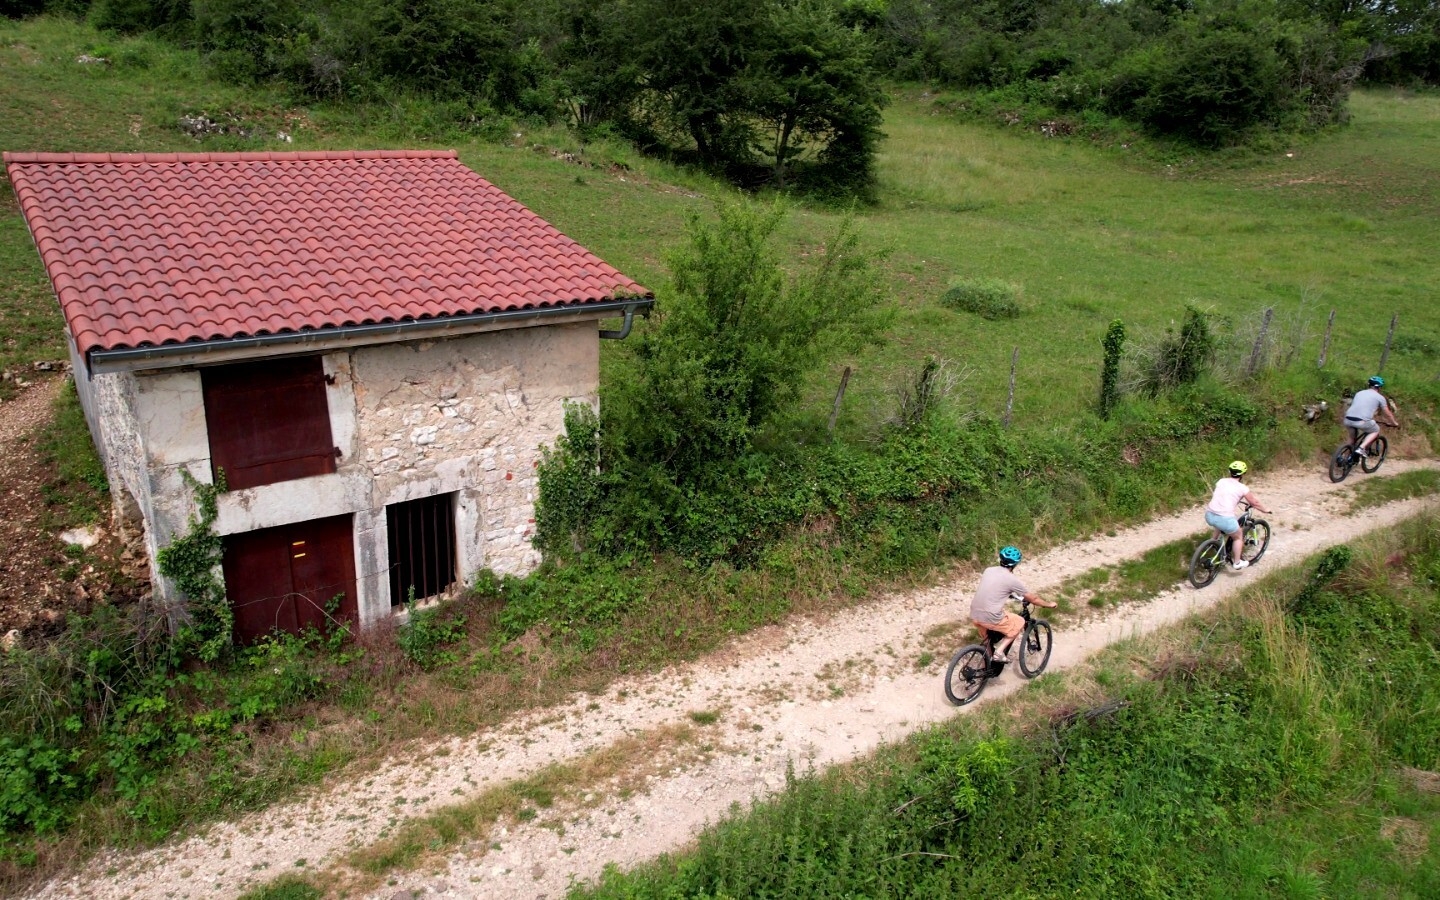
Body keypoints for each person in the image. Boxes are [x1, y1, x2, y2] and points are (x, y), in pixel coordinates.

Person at [969, 546, 1055, 663]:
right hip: (990, 616)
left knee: (987, 638)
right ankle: (999, 652)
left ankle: (988, 662)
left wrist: (1009, 594)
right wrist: (1048, 604)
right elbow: (1033, 599)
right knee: (1019, 621)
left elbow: (994, 587)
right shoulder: (1011, 579)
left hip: (974, 614)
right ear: (1015, 564)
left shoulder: (988, 570)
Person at [1204, 461, 1271, 571]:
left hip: (1209, 514)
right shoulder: (1242, 488)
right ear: (1243, 474)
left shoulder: (1221, 481)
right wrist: (1265, 510)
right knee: (1238, 537)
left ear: (1230, 471)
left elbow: (1224, 494)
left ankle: (1213, 542)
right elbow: (1254, 503)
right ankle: (1237, 562)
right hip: (1224, 518)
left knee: (1219, 523)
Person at [1343, 375, 1399, 457]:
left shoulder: (1359, 393)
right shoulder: (1380, 397)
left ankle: (1343, 457)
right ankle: (1361, 448)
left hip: (1348, 419)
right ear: (1379, 387)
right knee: (1375, 430)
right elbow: (1387, 413)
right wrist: (1394, 423)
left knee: (1352, 438)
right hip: (1361, 421)